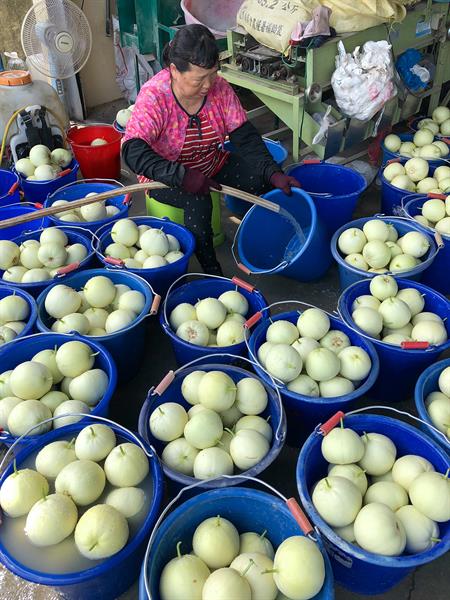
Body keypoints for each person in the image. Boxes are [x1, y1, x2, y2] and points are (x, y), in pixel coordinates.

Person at [122, 24, 300, 275]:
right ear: (174, 71)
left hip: (210, 162)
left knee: (264, 179)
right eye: (199, 79)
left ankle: (270, 248)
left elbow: (245, 138)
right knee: (199, 201)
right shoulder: (155, 96)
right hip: (164, 177)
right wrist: (183, 176)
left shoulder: (221, 90)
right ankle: (210, 269)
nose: (208, 85)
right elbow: (133, 151)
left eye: (213, 74)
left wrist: (272, 172)